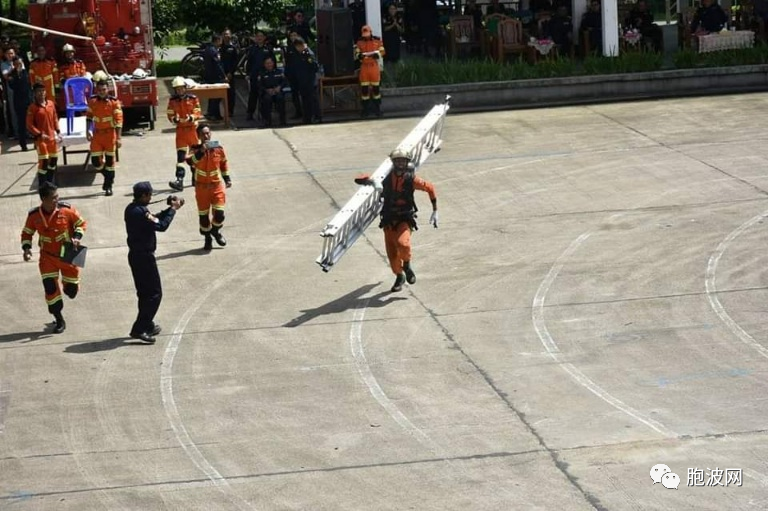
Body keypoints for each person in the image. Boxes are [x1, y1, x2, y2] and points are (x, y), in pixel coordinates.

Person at [356, 148, 438, 292]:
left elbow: (430, 188)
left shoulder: (412, 180)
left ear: (407, 162)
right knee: (392, 255)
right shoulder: (385, 178)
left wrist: (435, 210)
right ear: (393, 162)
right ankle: (399, 276)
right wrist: (370, 181)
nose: (400, 163)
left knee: (403, 244)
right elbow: (364, 178)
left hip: (404, 219)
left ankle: (407, 265)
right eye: (397, 160)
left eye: (403, 161)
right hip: (388, 220)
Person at [21, 182, 87, 334]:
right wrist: (26, 248)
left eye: (57, 196)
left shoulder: (67, 210)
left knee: (71, 292)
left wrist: (77, 237)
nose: (57, 200)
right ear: (43, 199)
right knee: (50, 289)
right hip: (47, 257)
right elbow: (27, 233)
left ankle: (68, 285)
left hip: (67, 253)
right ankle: (59, 319)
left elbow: (81, 223)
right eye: (53, 198)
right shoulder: (34, 216)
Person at [125, 182, 184, 343]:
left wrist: (168, 209)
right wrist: (173, 210)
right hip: (144, 258)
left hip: (137, 256)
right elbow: (161, 225)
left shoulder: (133, 209)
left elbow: (154, 219)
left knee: (144, 294)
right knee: (154, 294)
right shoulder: (141, 213)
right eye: (149, 195)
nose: (151, 198)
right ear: (143, 195)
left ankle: (147, 323)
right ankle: (139, 328)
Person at [187, 124, 231, 251]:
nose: (206, 136)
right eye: (203, 134)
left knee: (219, 215)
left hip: (216, 186)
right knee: (204, 217)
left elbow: (223, 163)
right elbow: (190, 161)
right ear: (198, 136)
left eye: (208, 133)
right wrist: (201, 151)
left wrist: (227, 178)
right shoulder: (195, 149)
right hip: (201, 189)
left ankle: (215, 231)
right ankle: (207, 238)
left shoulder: (218, 148)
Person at [86, 79, 123, 196]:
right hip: (97, 135)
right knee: (96, 162)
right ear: (97, 90)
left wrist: (119, 138)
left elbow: (119, 121)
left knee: (110, 162)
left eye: (104, 89)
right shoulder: (92, 101)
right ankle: (108, 177)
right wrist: (88, 130)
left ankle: (108, 186)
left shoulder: (114, 102)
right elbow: (89, 117)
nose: (102, 92)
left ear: (108, 89)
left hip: (110, 135)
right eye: (100, 90)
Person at [166, 76, 202, 191]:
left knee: (193, 157)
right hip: (181, 132)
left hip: (192, 131)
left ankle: (195, 178)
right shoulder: (172, 101)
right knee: (180, 158)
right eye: (177, 89)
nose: (180, 91)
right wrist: (174, 119)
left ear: (185, 88)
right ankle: (179, 180)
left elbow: (197, 111)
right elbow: (170, 113)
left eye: (181, 88)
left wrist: (191, 117)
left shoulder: (193, 98)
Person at [26, 82, 61, 186]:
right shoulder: (32, 108)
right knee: (44, 162)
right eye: (39, 92)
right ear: (35, 94)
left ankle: (49, 183)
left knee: (53, 160)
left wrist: (58, 131)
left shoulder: (51, 104)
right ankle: (42, 184)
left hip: (52, 139)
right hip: (41, 140)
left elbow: (55, 118)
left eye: (43, 91)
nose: (41, 93)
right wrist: (39, 134)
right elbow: (29, 124)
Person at [354, 25, 385, 118]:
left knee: (376, 90)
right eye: (364, 34)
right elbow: (356, 53)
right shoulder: (359, 42)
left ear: (371, 32)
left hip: (373, 67)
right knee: (364, 91)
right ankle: (365, 110)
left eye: (367, 34)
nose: (366, 36)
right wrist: (359, 56)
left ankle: (377, 110)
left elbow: (383, 51)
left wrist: (378, 55)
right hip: (364, 67)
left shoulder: (377, 40)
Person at [245, 31, 276, 122]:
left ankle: (265, 114)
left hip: (265, 75)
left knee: (264, 95)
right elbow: (248, 62)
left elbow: (273, 62)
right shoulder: (252, 49)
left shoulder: (268, 49)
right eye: (257, 36)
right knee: (253, 95)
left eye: (261, 36)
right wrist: (248, 74)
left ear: (264, 38)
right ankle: (250, 113)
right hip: (254, 75)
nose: (259, 38)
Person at [292, 37, 321, 124]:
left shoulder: (308, 53)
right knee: (305, 100)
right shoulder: (298, 54)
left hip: (310, 81)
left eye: (298, 47)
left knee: (312, 100)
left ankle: (316, 116)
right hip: (302, 81)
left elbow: (315, 66)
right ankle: (307, 117)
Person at [8, 56, 30, 151]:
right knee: (21, 123)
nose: (19, 65)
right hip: (19, 101)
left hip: (28, 99)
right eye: (16, 64)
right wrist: (17, 74)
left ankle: (37, 143)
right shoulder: (12, 74)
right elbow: (13, 86)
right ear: (14, 65)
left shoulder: (26, 72)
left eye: (20, 63)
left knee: (33, 121)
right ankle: (23, 144)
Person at [257, 57, 286, 128]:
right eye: (267, 63)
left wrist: (279, 87)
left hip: (277, 91)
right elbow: (259, 85)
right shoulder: (262, 73)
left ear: (273, 63)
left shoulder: (279, 72)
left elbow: (284, 81)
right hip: (267, 92)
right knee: (266, 99)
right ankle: (267, 121)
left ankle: (282, 120)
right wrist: (266, 90)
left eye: (270, 63)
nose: (269, 65)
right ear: (264, 65)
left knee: (280, 98)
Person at [203, 34, 226, 121]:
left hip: (209, 75)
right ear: (217, 41)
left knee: (213, 96)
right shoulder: (213, 51)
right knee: (217, 96)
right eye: (220, 40)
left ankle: (216, 114)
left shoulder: (208, 49)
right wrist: (224, 76)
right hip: (215, 76)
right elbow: (218, 65)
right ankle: (212, 113)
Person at [284, 31, 304, 120]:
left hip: (303, 75)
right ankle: (298, 111)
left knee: (305, 94)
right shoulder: (289, 48)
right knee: (294, 94)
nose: (293, 37)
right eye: (291, 35)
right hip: (292, 75)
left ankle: (307, 112)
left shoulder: (303, 46)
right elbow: (287, 62)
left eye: (295, 35)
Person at [220, 29, 239, 118]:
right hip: (220, 74)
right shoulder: (219, 47)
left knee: (231, 94)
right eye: (224, 34)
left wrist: (231, 73)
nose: (226, 36)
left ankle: (230, 111)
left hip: (230, 74)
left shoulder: (233, 47)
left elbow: (235, 62)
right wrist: (223, 74)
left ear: (230, 35)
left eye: (228, 34)